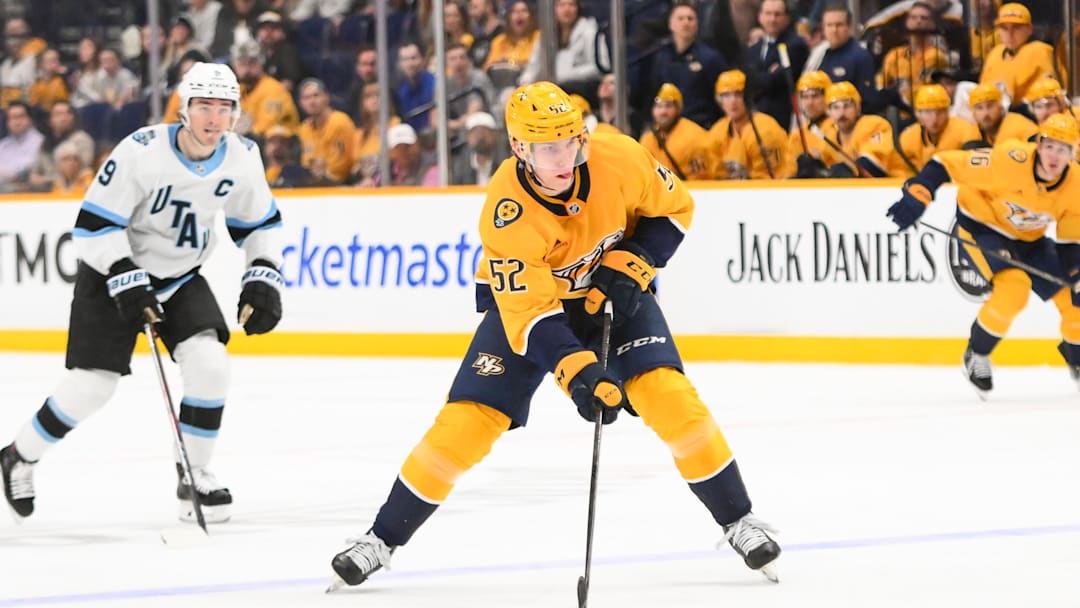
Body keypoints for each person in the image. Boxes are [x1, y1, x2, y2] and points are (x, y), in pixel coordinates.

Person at [326, 81, 781, 590]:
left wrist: (637, 260)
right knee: (466, 424)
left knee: (669, 397)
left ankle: (739, 519)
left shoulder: (619, 157)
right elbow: (535, 316)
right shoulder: (507, 212)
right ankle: (381, 539)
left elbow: (676, 209)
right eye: (547, 148)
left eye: (571, 142)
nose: (564, 157)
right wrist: (581, 376)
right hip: (531, 310)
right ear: (520, 148)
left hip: (611, 295)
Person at [0, 63, 284, 523]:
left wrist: (263, 271)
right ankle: (19, 454)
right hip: (111, 275)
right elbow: (92, 228)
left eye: (224, 108)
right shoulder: (141, 151)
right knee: (92, 387)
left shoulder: (242, 155)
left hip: (178, 277)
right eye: (204, 106)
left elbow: (259, 223)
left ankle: (195, 474)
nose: (214, 118)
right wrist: (125, 274)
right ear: (184, 108)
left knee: (210, 364)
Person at [886, 112, 1080, 396]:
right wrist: (920, 193)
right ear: (1038, 144)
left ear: (1073, 155)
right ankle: (977, 354)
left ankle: (1076, 360)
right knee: (1014, 290)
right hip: (982, 227)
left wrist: (1076, 276)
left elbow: (1070, 246)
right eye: (1049, 146)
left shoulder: (1075, 187)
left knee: (1074, 304)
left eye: (1063, 149)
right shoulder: (1009, 160)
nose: (1054, 156)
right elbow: (945, 163)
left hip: (1029, 240)